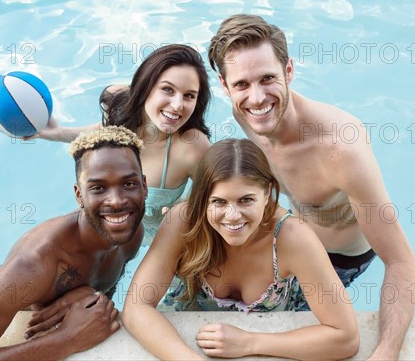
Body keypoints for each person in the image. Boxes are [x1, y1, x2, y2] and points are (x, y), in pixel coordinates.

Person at [207, 14, 415, 360]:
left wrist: (386, 350)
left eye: (268, 79)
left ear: (289, 71)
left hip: (337, 257)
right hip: (285, 233)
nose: (257, 98)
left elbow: (400, 261)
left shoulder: (340, 149)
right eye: (242, 84)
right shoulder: (245, 113)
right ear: (225, 86)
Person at [122, 139, 359, 360]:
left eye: (246, 200)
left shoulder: (293, 238)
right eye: (219, 202)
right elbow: (135, 308)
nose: (233, 217)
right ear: (203, 199)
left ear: (267, 193)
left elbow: (345, 337)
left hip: (272, 327)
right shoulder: (183, 222)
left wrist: (250, 343)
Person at [0, 126, 148, 360]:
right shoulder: (33, 264)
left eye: (129, 184)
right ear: (79, 195)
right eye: (98, 188)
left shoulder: (131, 232)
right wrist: (65, 339)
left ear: (144, 186)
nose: (116, 201)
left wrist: (91, 296)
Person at [28, 44, 211, 239]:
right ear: (146, 86)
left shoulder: (190, 147)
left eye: (189, 95)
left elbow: (220, 191)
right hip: (109, 232)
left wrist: (184, 209)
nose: (177, 106)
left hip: (157, 242)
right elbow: (109, 132)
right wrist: (58, 133)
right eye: (167, 89)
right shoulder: (118, 105)